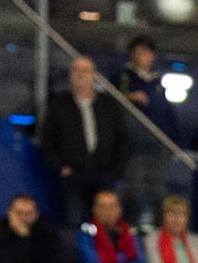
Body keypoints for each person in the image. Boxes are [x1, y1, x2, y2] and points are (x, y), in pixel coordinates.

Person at [39, 56, 133, 229]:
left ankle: (105, 256)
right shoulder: (59, 105)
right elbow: (47, 141)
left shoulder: (109, 105)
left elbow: (123, 140)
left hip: (105, 174)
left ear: (94, 75)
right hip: (73, 174)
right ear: (70, 75)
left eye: (85, 71)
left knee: (108, 223)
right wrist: (60, 167)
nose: (81, 75)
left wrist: (116, 171)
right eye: (76, 70)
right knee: (75, 222)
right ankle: (80, 254)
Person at [114, 35, 180, 228]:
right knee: (133, 192)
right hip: (133, 149)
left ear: (152, 55)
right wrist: (128, 97)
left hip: (158, 149)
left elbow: (168, 114)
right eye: (136, 52)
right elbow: (111, 101)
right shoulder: (123, 78)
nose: (140, 56)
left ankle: (159, 232)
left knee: (158, 194)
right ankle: (130, 232)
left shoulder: (158, 84)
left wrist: (173, 143)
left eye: (144, 52)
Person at [77, 189, 147, 263]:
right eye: (102, 207)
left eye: (112, 206)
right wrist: (125, 256)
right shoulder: (86, 233)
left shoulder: (130, 233)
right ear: (94, 209)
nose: (107, 212)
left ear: (119, 210)